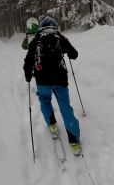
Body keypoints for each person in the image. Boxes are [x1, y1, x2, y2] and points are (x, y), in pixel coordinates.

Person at [23, 16, 81, 156]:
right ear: (54, 26)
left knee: (45, 101)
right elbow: (74, 55)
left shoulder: (37, 38)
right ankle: (74, 141)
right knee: (65, 107)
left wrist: (28, 76)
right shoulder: (59, 37)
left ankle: (52, 125)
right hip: (60, 79)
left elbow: (28, 60)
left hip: (42, 80)